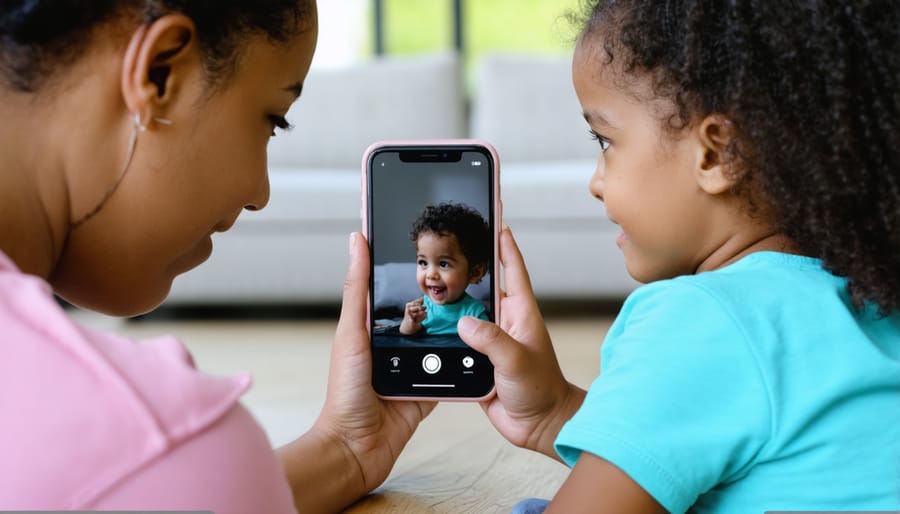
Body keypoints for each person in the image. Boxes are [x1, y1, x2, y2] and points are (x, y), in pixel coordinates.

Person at [458, 1, 900, 512]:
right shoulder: (870, 302)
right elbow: (737, 448)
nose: (595, 182)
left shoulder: (701, 318)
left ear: (718, 155)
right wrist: (556, 411)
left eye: (605, 140)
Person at [0, 2, 435, 512]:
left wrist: (346, 449)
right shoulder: (153, 436)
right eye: (273, 121)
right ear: (160, 71)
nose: (260, 194)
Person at [399, 202, 491, 336]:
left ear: (474, 273)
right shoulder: (421, 308)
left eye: (443, 264)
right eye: (423, 262)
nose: (430, 275)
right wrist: (408, 323)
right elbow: (405, 336)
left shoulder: (475, 313)